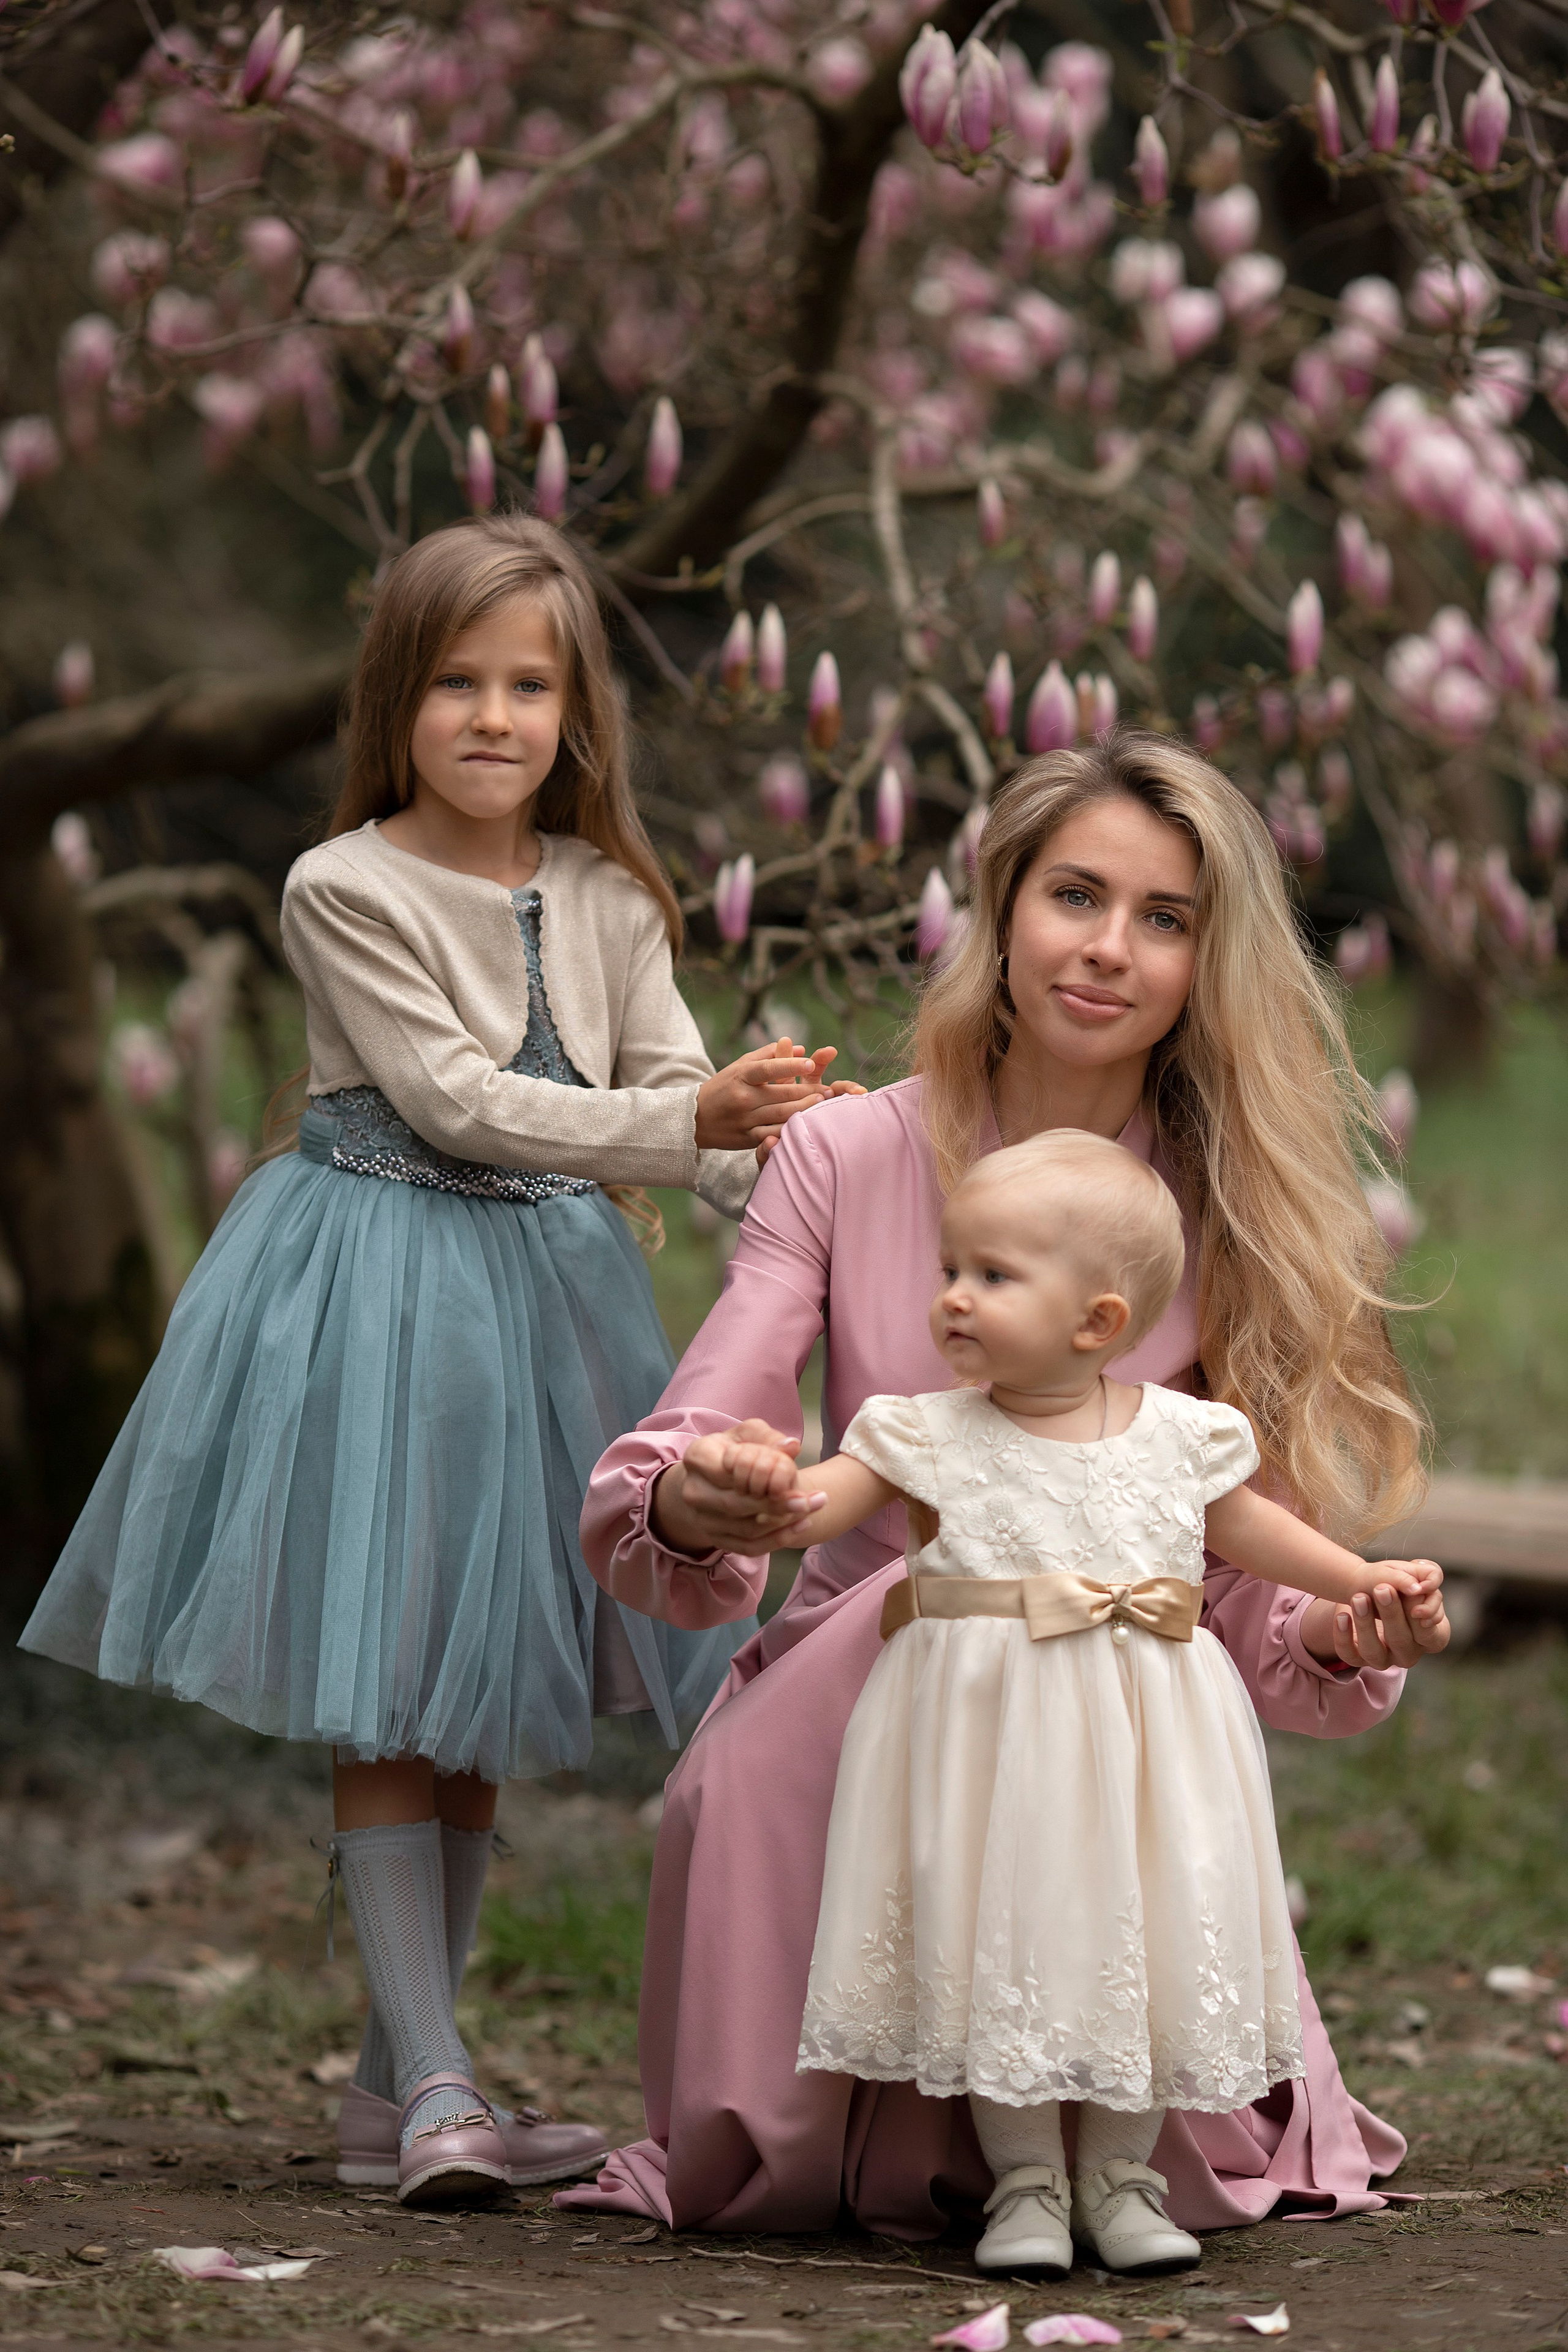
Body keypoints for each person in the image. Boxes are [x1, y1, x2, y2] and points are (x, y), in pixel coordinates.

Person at [19, 514, 843, 2208]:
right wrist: (680, 1116)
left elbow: (685, 1114)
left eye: (529, 684)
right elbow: (458, 1098)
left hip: (549, 1302)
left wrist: (817, 1163)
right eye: (456, 681)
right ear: (396, 699)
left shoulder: (612, 894)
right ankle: (440, 2083)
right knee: (392, 1663)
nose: (492, 716)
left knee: (476, 1689)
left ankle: (404, 2084)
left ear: (574, 709)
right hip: (375, 1289)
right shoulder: (347, 888)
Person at [562, 729, 1449, 2242]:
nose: (1107, 950)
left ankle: (1082, 2164)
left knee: (1110, 1795)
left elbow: (1231, 1561)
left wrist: (1334, 1630)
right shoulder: (842, 1152)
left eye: (1162, 920)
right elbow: (707, 1418)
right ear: (999, 904)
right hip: (878, 1650)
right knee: (767, 1759)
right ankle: (851, 2134)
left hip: (1112, 1682)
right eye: (1074, 896)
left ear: (1203, 960)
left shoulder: (1220, 1205)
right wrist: (705, 1495)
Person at [695, 1129, 1447, 2276]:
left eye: (992, 1277)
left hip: (1146, 1747)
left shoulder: (1181, 1438)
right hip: (986, 1753)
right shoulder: (923, 1432)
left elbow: (1260, 1535)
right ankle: (1028, 2187)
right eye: (949, 1269)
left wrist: (1369, 1583)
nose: (952, 1297)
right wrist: (760, 1485)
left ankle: (1122, 2177)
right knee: (1004, 1948)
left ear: (1098, 1321)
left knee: (1126, 1942)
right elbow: (817, 1505)